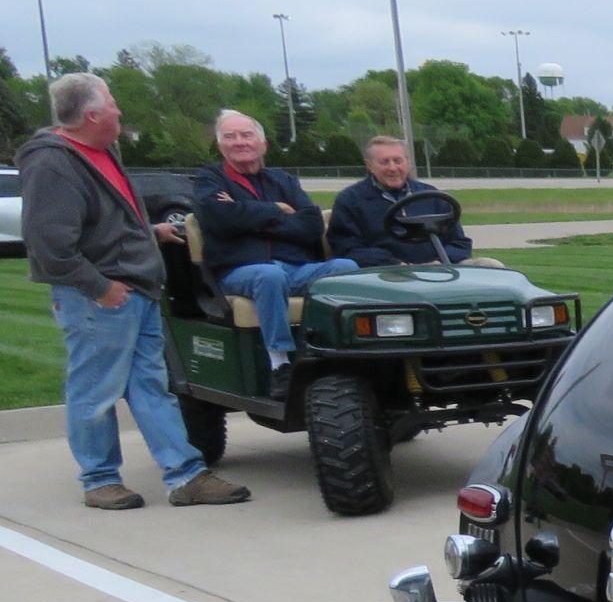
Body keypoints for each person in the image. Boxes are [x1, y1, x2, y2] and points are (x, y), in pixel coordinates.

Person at [17, 74, 249, 509]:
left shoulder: (100, 153)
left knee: (151, 388)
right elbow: (49, 247)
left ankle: (186, 476)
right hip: (99, 299)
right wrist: (100, 288)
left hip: (138, 290)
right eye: (111, 103)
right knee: (95, 390)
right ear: (91, 115)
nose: (119, 110)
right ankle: (99, 480)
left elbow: (103, 222)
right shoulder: (53, 164)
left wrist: (149, 233)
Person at [190, 109, 354, 398]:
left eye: (246, 135)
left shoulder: (283, 181)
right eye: (230, 136)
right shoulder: (210, 179)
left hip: (297, 268)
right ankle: (279, 364)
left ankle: (345, 353)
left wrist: (247, 217)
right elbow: (220, 219)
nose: (239, 142)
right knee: (270, 276)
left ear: (263, 144)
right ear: (220, 145)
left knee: (347, 267)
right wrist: (277, 209)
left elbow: (312, 224)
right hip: (240, 270)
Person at [328, 135, 472, 265]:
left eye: (398, 161)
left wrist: (439, 261)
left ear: (407, 162)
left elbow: (460, 243)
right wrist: (393, 263)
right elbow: (346, 248)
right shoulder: (351, 200)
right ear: (369, 165)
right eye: (384, 162)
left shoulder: (432, 196)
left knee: (489, 265)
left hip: (438, 268)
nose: (393, 168)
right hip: (385, 274)